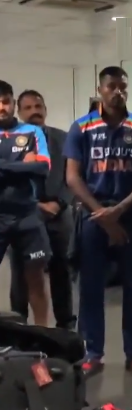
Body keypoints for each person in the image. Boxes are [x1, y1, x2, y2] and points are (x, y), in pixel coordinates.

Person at [64, 66, 132, 377]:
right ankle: (92, 353)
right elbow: (72, 177)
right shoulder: (82, 127)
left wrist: (120, 210)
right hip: (94, 216)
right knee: (91, 287)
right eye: (112, 86)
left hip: (130, 215)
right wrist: (103, 215)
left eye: (123, 86)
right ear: (100, 89)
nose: (118, 92)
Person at [9, 90, 75, 329]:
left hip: (59, 213)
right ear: (19, 113)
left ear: (45, 110)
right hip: (23, 214)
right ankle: (18, 324)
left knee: (61, 269)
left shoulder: (64, 139)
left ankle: (65, 325)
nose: (34, 111)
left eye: (38, 106)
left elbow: (73, 176)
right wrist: (34, 206)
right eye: (28, 108)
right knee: (21, 272)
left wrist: (59, 203)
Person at [0, 80, 52, 326]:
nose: (2, 107)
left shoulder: (32, 132)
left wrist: (3, 167)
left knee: (36, 280)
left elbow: (42, 167)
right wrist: (22, 165)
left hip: (27, 216)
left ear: (13, 103)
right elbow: (30, 167)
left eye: (5, 102)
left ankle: (43, 336)